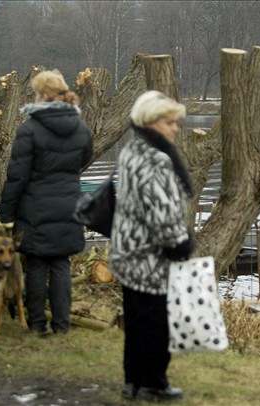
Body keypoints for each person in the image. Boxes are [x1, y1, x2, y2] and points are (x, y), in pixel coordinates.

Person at [110, 91, 194, 401]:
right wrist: (180, 244)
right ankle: (155, 382)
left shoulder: (131, 150)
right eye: (170, 122)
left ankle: (132, 380)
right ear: (153, 122)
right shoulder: (158, 159)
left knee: (135, 320)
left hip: (127, 249)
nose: (175, 129)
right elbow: (164, 212)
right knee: (157, 323)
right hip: (151, 256)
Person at [0, 70, 92, 336]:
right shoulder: (80, 127)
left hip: (35, 206)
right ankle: (62, 325)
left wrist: (6, 215)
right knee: (61, 264)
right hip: (69, 203)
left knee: (37, 265)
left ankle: (37, 323)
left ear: (41, 95)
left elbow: (17, 176)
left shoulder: (29, 129)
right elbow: (84, 159)